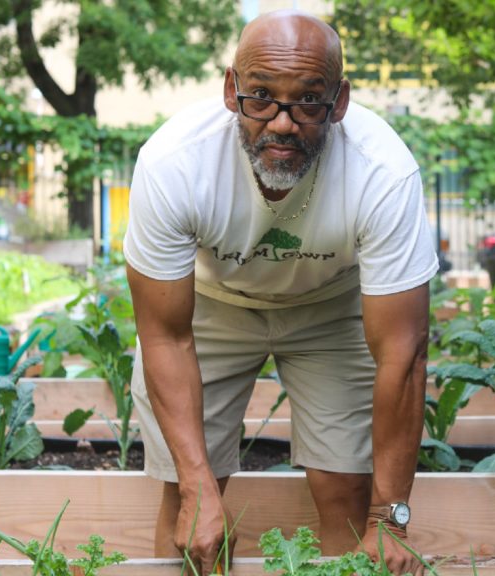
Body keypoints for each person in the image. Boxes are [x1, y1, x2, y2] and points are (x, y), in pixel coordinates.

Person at [122, 10, 437, 575]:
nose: (282, 123)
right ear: (230, 90)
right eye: (261, 96)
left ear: (339, 102)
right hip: (210, 309)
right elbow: (165, 335)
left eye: (308, 101)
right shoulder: (173, 164)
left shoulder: (384, 173)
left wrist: (390, 519)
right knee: (187, 498)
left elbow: (403, 355)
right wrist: (197, 486)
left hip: (332, 307)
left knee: (347, 490)